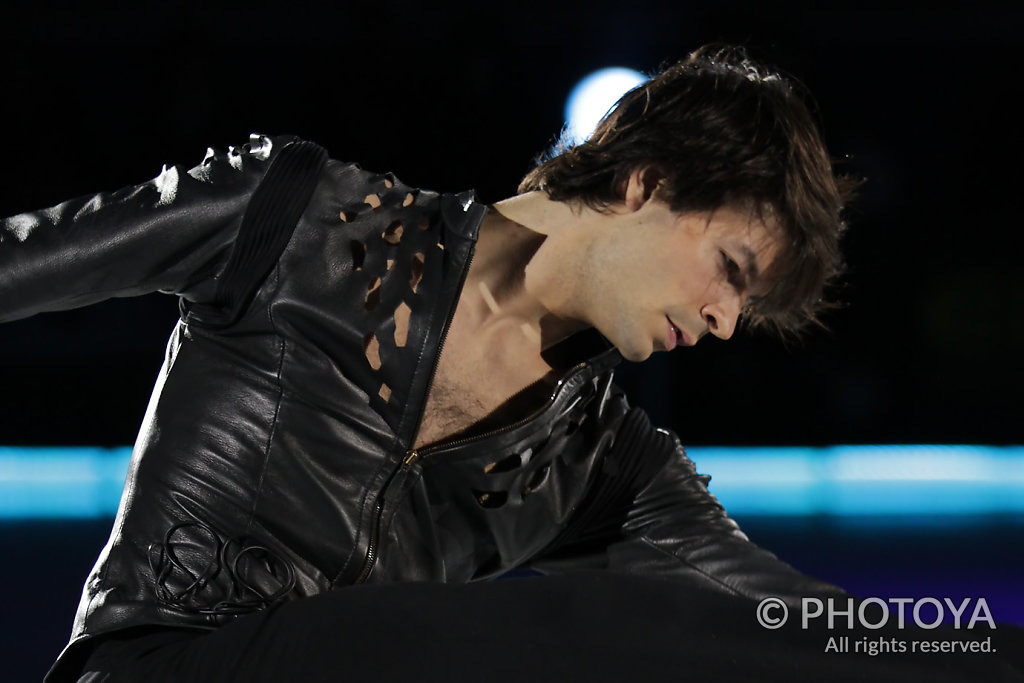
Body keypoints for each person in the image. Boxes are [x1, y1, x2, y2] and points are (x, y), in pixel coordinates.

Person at [3, 45, 943, 682]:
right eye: (732, 272)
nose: (726, 322)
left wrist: (978, 642)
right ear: (647, 181)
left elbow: (797, 622)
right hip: (159, 663)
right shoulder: (293, 216)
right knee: (585, 628)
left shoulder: (605, 461)